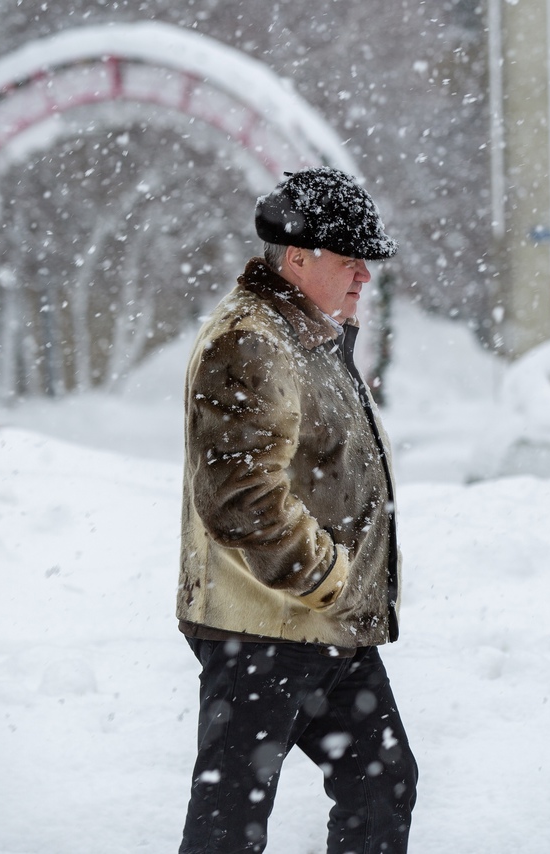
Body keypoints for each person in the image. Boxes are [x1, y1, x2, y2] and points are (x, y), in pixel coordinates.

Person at [176, 167, 417, 854]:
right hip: (262, 625)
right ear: (296, 259)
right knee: (233, 816)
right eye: (350, 261)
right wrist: (327, 578)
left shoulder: (309, 335)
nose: (364, 277)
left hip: (319, 623)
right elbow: (241, 498)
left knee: (382, 782)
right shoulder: (252, 341)